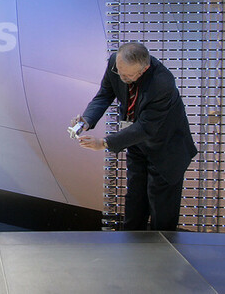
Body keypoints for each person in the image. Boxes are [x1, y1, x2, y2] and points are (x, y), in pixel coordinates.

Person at [74, 42, 197, 230]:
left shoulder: (162, 83)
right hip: (138, 145)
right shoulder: (116, 63)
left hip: (167, 150)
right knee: (134, 204)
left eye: (128, 76)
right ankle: (132, 246)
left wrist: (104, 143)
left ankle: (160, 249)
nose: (122, 78)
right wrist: (87, 121)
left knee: (162, 215)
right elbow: (105, 94)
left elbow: (145, 127)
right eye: (120, 72)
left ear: (144, 69)